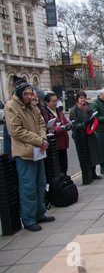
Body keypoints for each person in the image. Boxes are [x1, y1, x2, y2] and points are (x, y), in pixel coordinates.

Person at [4, 76, 54, 231]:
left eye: (31, 93)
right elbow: (16, 131)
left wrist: (43, 139)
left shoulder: (32, 105)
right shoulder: (11, 107)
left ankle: (40, 213)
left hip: (38, 150)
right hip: (24, 152)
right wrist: (39, 140)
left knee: (40, 183)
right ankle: (28, 218)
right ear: (19, 93)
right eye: (26, 94)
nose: (30, 97)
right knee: (28, 186)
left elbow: (41, 122)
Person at [70, 91, 102, 184]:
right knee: (84, 155)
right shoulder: (74, 110)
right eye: (81, 98)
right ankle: (87, 175)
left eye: (84, 98)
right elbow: (74, 124)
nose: (83, 100)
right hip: (81, 135)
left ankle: (93, 172)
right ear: (77, 99)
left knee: (93, 152)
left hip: (90, 133)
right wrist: (84, 124)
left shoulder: (88, 108)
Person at [44, 91, 72, 174]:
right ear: (46, 102)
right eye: (53, 101)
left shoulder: (59, 111)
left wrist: (68, 126)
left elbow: (66, 122)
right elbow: (49, 128)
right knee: (57, 168)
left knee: (64, 166)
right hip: (54, 144)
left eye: (56, 101)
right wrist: (60, 128)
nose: (55, 103)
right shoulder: (46, 114)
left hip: (63, 142)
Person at [90, 87, 104, 174]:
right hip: (99, 129)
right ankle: (103, 167)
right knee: (101, 149)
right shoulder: (95, 104)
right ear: (101, 95)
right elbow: (96, 117)